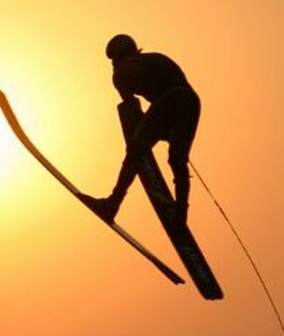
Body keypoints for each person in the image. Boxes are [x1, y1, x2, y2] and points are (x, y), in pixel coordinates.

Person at [85, 34, 201, 225]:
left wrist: (144, 135)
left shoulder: (125, 70)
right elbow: (143, 108)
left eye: (114, 58)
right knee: (177, 159)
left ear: (122, 55)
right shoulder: (155, 59)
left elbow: (132, 110)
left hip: (175, 99)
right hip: (190, 102)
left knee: (135, 151)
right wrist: (166, 130)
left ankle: (113, 203)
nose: (113, 64)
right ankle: (181, 214)